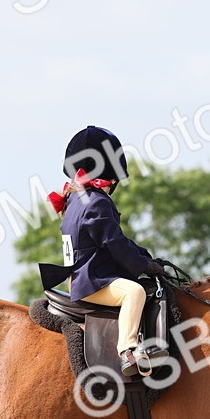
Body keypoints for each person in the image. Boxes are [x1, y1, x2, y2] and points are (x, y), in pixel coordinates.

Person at [46, 125, 164, 376]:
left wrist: (142, 255)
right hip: (92, 281)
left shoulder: (74, 200)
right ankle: (128, 351)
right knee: (135, 292)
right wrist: (144, 265)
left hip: (79, 275)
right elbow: (115, 244)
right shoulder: (98, 202)